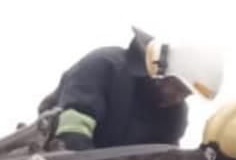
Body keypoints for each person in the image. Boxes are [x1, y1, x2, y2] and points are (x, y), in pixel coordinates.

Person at [37, 28, 223, 151]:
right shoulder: (105, 66)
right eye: (176, 86)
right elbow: (72, 132)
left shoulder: (174, 115)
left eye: (185, 94)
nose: (177, 98)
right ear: (162, 68)